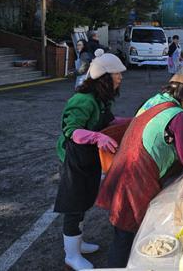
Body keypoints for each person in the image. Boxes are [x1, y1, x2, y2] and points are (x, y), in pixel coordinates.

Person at [97, 73, 183, 267]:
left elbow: (178, 136)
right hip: (136, 175)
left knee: (123, 228)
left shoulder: (157, 101)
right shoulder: (179, 115)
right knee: (126, 232)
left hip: (123, 164)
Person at [54, 51, 128, 270]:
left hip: (87, 156)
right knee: (74, 205)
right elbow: (72, 131)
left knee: (85, 200)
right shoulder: (83, 100)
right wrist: (97, 137)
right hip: (73, 158)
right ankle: (71, 255)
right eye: (117, 74)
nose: (121, 77)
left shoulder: (100, 99)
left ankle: (77, 243)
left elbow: (110, 121)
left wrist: (134, 121)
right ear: (104, 78)